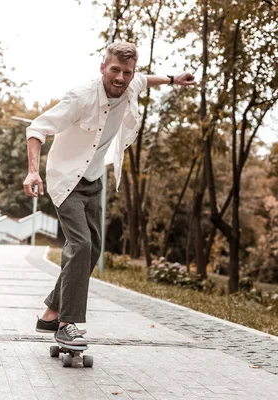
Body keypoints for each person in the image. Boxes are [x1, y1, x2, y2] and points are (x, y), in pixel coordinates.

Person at [23, 42, 195, 346]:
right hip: (66, 179)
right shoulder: (80, 97)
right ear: (103, 67)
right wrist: (32, 172)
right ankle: (67, 323)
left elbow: (146, 79)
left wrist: (172, 80)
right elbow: (37, 129)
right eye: (114, 69)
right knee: (81, 244)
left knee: (94, 249)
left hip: (93, 177)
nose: (120, 77)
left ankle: (50, 312)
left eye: (126, 72)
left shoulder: (132, 84)